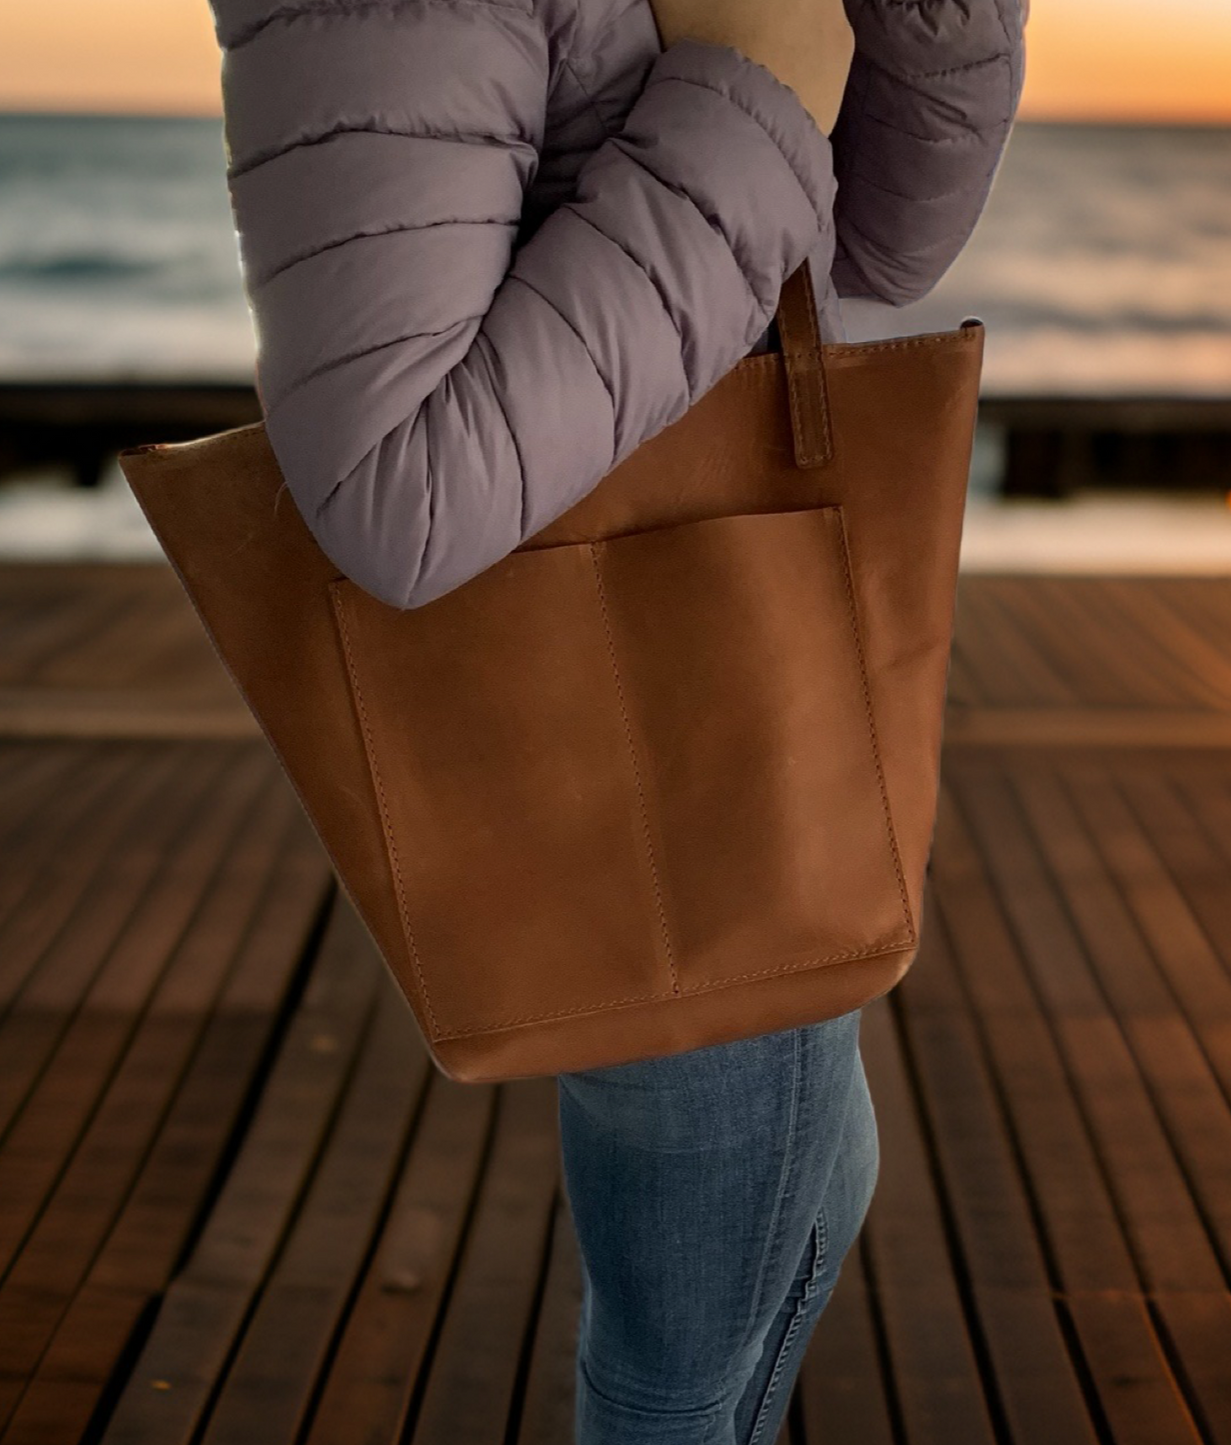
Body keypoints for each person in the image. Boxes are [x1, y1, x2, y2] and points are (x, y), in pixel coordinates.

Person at [206, 0, 1026, 1436]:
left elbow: (877, 245)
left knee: (788, 1219)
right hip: (660, 728)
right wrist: (751, 82)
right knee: (692, 1351)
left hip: (746, 685)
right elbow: (398, 491)